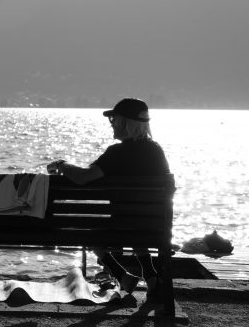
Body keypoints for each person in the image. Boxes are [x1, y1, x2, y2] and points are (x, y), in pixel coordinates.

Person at [47, 97, 170, 296]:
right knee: (135, 224)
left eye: (114, 120)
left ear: (125, 123)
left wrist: (61, 165)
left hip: (124, 224)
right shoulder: (156, 151)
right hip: (155, 225)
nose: (111, 124)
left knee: (90, 234)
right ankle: (151, 276)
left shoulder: (117, 153)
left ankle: (121, 275)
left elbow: (83, 177)